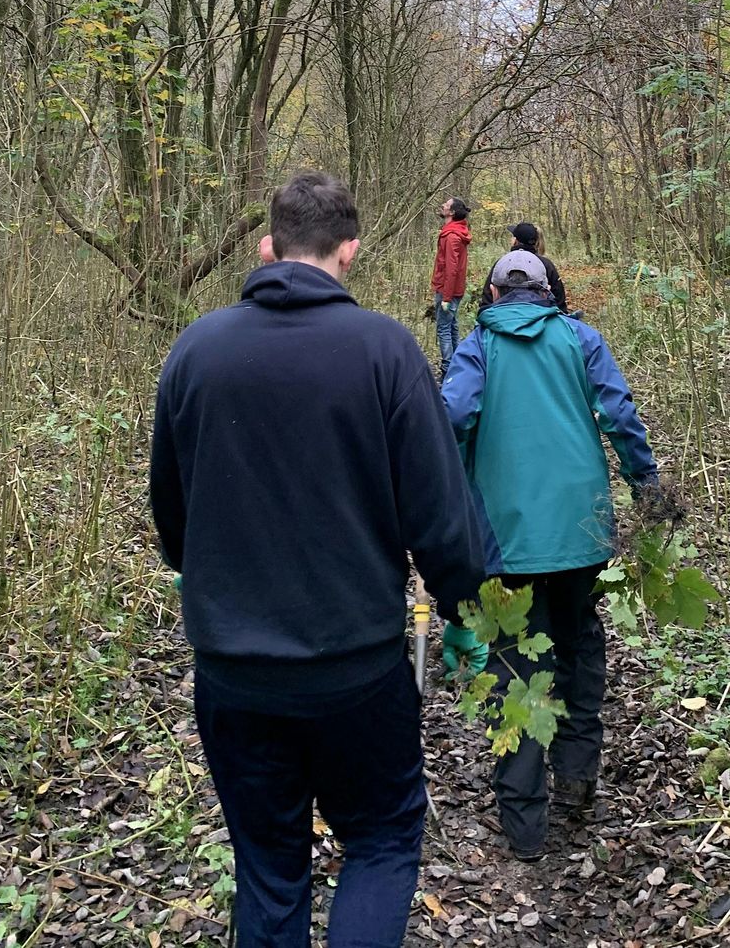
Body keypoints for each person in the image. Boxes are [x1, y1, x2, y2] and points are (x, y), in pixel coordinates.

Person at [150, 172, 487, 948]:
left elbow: (173, 519)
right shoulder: (385, 352)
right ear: (350, 251)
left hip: (235, 675)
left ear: (268, 249)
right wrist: (467, 608)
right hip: (356, 672)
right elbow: (441, 515)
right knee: (382, 840)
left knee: (269, 868)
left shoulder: (196, 351)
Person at [442, 249, 660, 862]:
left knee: (513, 663)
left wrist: (446, 484)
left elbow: (453, 414)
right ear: (546, 291)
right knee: (578, 645)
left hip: (506, 539)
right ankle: (577, 778)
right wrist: (647, 482)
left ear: (491, 293)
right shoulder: (580, 339)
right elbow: (618, 413)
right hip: (580, 530)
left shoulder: (477, 348)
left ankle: (524, 822)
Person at [476, 222, 568, 315]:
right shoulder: (546, 264)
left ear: (515, 241)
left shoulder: (502, 263)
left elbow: (487, 300)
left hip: (503, 316)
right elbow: (559, 300)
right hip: (541, 317)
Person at [430, 196, 472, 377]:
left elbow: (451, 269)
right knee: (452, 325)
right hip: (453, 289)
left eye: (446, 205)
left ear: (452, 212)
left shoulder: (452, 236)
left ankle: (448, 368)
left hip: (448, 289)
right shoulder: (454, 232)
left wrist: (446, 297)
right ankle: (458, 364)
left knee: (444, 328)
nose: (442, 206)